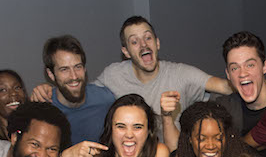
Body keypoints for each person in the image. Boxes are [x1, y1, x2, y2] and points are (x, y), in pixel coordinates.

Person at [96, 16, 231, 122]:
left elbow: (224, 87)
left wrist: (247, 76)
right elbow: (84, 97)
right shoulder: (113, 75)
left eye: (148, 38)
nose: (144, 45)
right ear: (126, 52)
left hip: (173, 154)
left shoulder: (180, 74)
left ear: (158, 43)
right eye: (134, 42)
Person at [35, 35, 117, 144]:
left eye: (78, 67)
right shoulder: (42, 110)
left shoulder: (106, 100)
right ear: (51, 74)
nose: (74, 76)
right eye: (64, 69)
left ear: (85, 68)